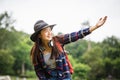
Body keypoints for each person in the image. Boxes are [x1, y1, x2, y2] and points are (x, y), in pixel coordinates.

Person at [30, 16, 107, 80]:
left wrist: (95, 26)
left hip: (64, 76)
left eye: (50, 30)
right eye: (45, 31)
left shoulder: (58, 41)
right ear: (39, 35)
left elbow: (76, 35)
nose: (49, 33)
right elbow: (39, 71)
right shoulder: (36, 51)